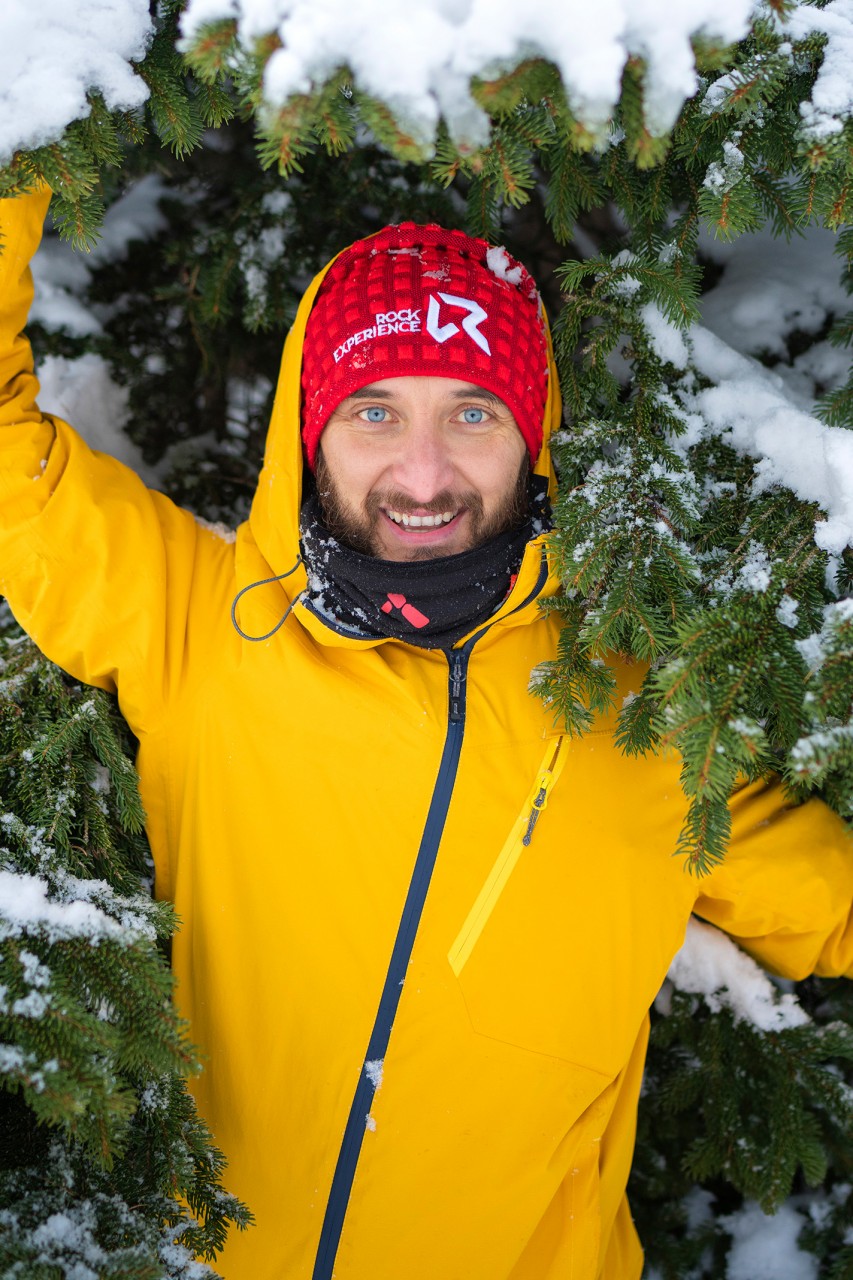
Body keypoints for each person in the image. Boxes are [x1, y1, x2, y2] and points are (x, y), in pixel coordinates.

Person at [1, 184, 852, 1280]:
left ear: (529, 432)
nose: (423, 473)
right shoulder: (198, 629)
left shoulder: (640, 719)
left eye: (471, 411)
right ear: (310, 433)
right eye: (374, 410)